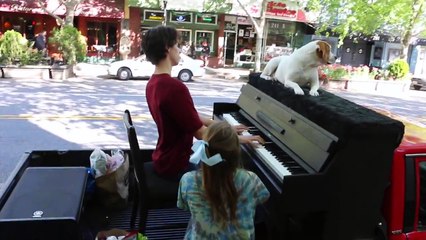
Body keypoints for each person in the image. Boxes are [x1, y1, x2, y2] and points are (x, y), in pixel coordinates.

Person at [141, 26, 263, 180]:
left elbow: (190, 117)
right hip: (177, 164)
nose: (180, 50)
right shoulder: (174, 87)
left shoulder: (153, 83)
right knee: (231, 176)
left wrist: (226, 128)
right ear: (167, 47)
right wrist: (238, 139)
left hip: (165, 157)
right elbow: (201, 134)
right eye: (177, 45)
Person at [178, 121, 270, 239]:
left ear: (205, 149)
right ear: (237, 152)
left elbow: (183, 205)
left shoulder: (188, 180)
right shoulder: (251, 179)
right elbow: (264, 197)